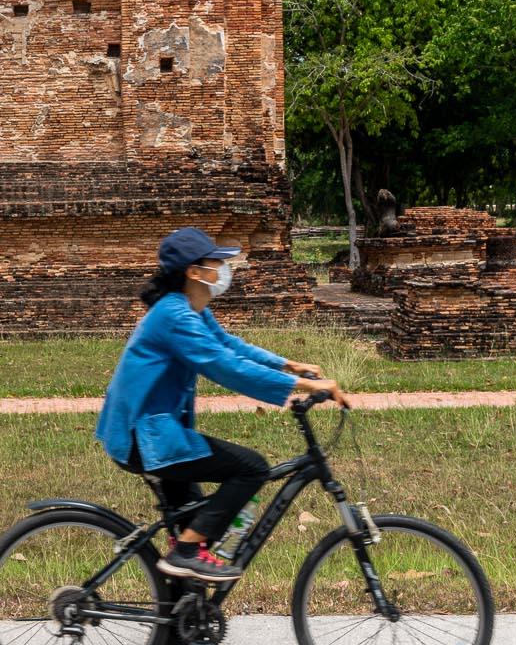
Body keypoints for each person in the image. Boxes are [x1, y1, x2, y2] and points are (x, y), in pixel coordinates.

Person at [94, 227, 350, 583]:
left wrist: (288, 364)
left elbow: (230, 346)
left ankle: (180, 615)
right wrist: (304, 384)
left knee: (197, 525)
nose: (224, 269)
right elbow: (225, 366)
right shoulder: (176, 317)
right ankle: (185, 552)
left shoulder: (188, 309)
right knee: (251, 468)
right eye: (217, 262)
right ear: (194, 272)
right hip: (145, 437)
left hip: (153, 431)